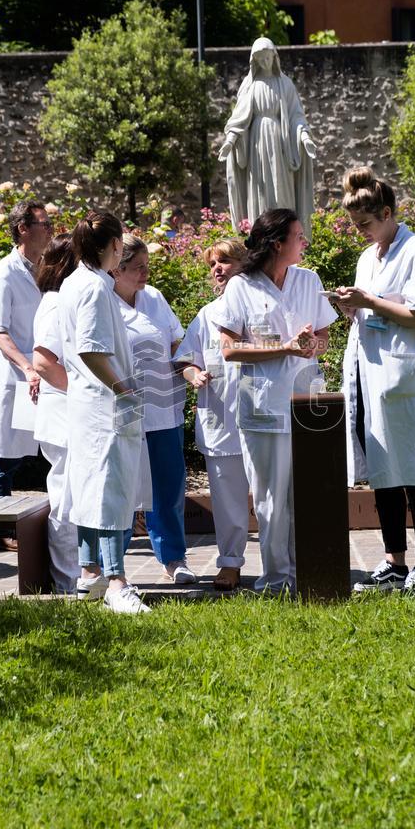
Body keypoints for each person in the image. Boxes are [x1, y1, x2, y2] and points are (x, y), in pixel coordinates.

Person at [216, 208, 337, 593]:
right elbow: (229, 350)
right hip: (262, 407)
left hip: (306, 404)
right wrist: (284, 348)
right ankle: (275, 579)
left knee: (304, 495)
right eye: (299, 236)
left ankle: (306, 575)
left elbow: (324, 339)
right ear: (276, 244)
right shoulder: (241, 286)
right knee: (270, 498)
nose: (305, 242)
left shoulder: (308, 280)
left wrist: (310, 345)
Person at [335, 167, 415, 595]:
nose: (360, 231)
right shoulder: (368, 258)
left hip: (402, 378)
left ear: (387, 213)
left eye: (365, 222)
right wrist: (351, 307)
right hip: (369, 374)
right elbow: (369, 309)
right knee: (383, 471)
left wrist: (371, 302)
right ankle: (395, 561)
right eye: (354, 224)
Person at [58, 210, 150, 614]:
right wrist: (123, 388)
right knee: (111, 490)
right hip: (106, 403)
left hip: (87, 403)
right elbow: (91, 350)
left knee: (90, 487)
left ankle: (90, 574)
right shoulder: (96, 287)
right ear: (114, 245)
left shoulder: (73, 282)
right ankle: (117, 582)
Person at [113, 234, 196, 585]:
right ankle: (112, 566)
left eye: (147, 266)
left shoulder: (154, 298)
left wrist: (191, 369)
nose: (146, 274)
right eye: (138, 268)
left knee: (167, 485)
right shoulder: (103, 302)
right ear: (116, 270)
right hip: (122, 410)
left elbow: (177, 341)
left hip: (164, 407)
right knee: (121, 488)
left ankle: (173, 558)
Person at [174, 238, 249, 591]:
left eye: (225, 261)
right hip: (221, 417)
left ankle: (282, 563)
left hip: (263, 417)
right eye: (213, 264)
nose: (217, 269)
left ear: (245, 264)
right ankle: (230, 563)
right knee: (227, 498)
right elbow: (186, 360)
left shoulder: (261, 307)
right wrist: (194, 375)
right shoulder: (207, 315)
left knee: (273, 498)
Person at [0, 199, 52, 550]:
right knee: (5, 455)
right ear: (23, 229)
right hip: (18, 375)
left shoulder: (48, 268)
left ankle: (61, 525)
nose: (50, 230)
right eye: (44, 224)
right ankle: (1, 530)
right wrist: (27, 368)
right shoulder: (3, 273)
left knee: (55, 448)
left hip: (48, 372)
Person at [218, 37, 316, 239]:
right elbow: (239, 119)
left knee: (282, 187)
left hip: (281, 143)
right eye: (260, 59)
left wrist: (304, 136)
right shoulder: (250, 85)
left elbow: (296, 115)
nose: (265, 62)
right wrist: (230, 141)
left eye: (267, 58)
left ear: (274, 57)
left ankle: (285, 233)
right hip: (257, 143)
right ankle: (262, 234)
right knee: (259, 187)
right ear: (254, 61)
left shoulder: (285, 84)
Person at [32, 234, 79, 594]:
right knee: (66, 499)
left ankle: (80, 576)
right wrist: (82, 394)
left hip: (69, 412)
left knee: (74, 496)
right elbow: (44, 362)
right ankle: (67, 582)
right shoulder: (54, 303)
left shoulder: (64, 300)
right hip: (64, 414)